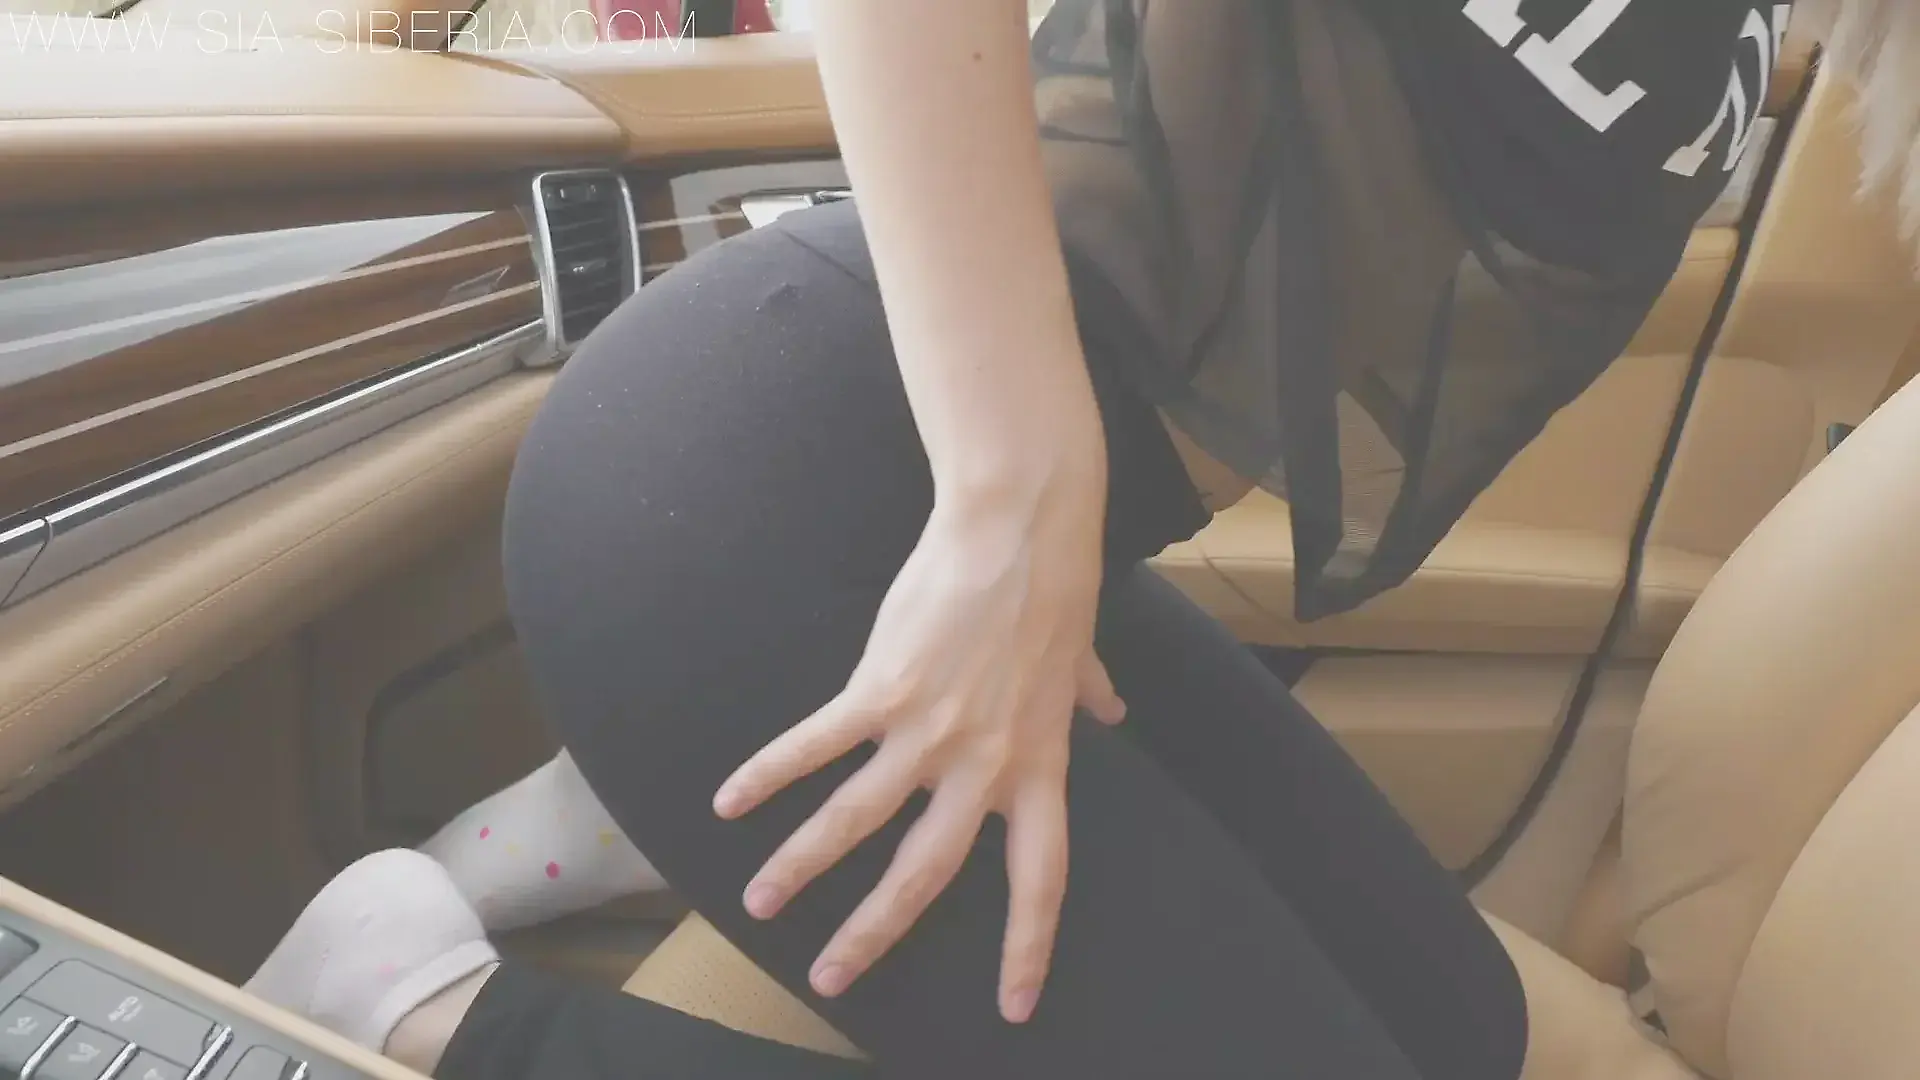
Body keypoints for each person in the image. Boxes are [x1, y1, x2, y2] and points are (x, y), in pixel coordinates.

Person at [247, 0, 1836, 1076]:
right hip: (777, 497)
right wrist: (1016, 491)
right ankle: (414, 1011)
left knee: (1469, 1032)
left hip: (930, 516)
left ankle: (612, 824)